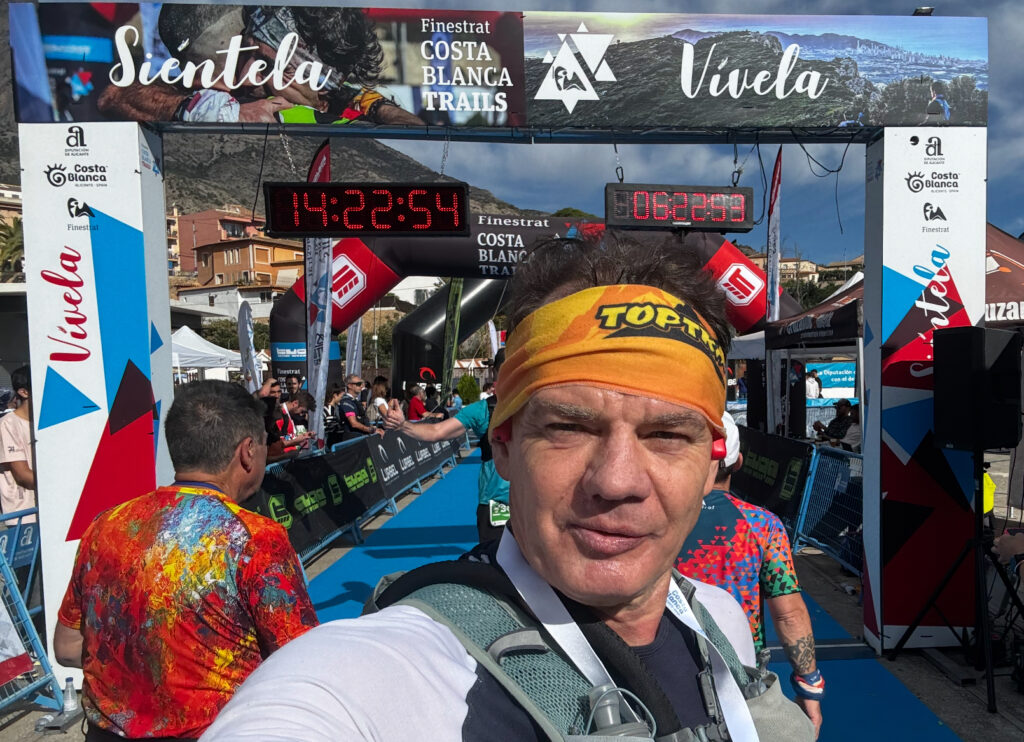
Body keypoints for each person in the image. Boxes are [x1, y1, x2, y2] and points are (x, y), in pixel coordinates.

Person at [202, 231, 813, 742]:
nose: (617, 481)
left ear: (711, 462)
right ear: (504, 445)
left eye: (667, 436)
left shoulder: (721, 622)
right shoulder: (374, 677)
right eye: (569, 428)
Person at [54, 380, 318, 741]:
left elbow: (67, 646)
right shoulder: (255, 538)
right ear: (247, 452)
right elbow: (300, 657)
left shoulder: (106, 525)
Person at [677, 412, 823, 738]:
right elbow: (789, 614)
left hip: (667, 662)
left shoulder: (659, 518)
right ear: (739, 462)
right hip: (741, 671)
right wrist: (809, 686)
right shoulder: (762, 525)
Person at [98, 5, 424, 125]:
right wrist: (210, 112)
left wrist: (381, 110)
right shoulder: (224, 82)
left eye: (268, 67)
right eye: (249, 52)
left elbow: (405, 128)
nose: (245, 75)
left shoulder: (344, 107)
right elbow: (114, 95)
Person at [385, 351, 510, 543]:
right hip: (498, 501)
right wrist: (403, 425)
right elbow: (437, 432)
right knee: (497, 554)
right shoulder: (482, 410)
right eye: (507, 369)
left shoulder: (539, 404)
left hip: (534, 500)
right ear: (495, 373)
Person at [0, 366, 36, 521]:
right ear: (24, 392)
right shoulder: (7, 425)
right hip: (23, 516)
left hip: (50, 511)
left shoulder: (45, 425)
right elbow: (22, 475)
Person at [339, 374, 378, 440]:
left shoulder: (355, 401)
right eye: (358, 384)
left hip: (361, 436)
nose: (361, 386)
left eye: (362, 384)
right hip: (353, 439)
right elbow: (354, 423)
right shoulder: (346, 402)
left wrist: (374, 428)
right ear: (350, 385)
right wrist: (371, 430)